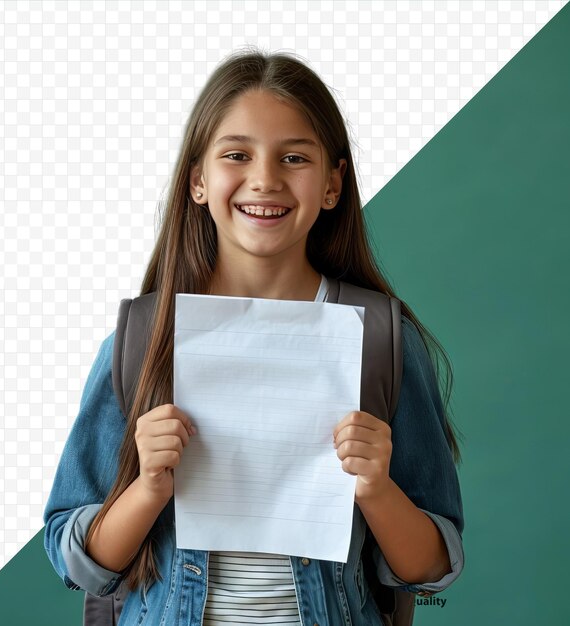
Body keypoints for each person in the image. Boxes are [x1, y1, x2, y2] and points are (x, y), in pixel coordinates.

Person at [44, 47, 464, 626]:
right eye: (237, 154)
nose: (264, 179)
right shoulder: (143, 340)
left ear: (332, 185)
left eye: (294, 157)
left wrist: (377, 489)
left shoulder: (379, 341)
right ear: (198, 180)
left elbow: (432, 567)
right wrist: (145, 490)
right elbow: (75, 561)